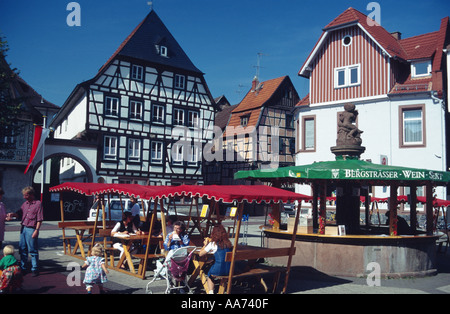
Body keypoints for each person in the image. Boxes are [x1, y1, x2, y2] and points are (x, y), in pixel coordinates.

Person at [9, 186, 43, 276]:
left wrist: (36, 230)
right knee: (22, 248)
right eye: (24, 195)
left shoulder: (38, 204)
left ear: (31, 195)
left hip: (31, 228)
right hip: (23, 228)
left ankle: (35, 268)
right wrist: (12, 215)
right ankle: (23, 267)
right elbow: (19, 214)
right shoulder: (25, 204)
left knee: (33, 249)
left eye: (26, 195)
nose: (24, 197)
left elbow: (39, 219)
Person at [199, 224, 232, 294]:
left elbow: (200, 254)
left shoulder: (213, 244)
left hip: (219, 269)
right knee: (223, 272)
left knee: (209, 274)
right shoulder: (228, 243)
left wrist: (205, 245)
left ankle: (211, 292)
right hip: (230, 269)